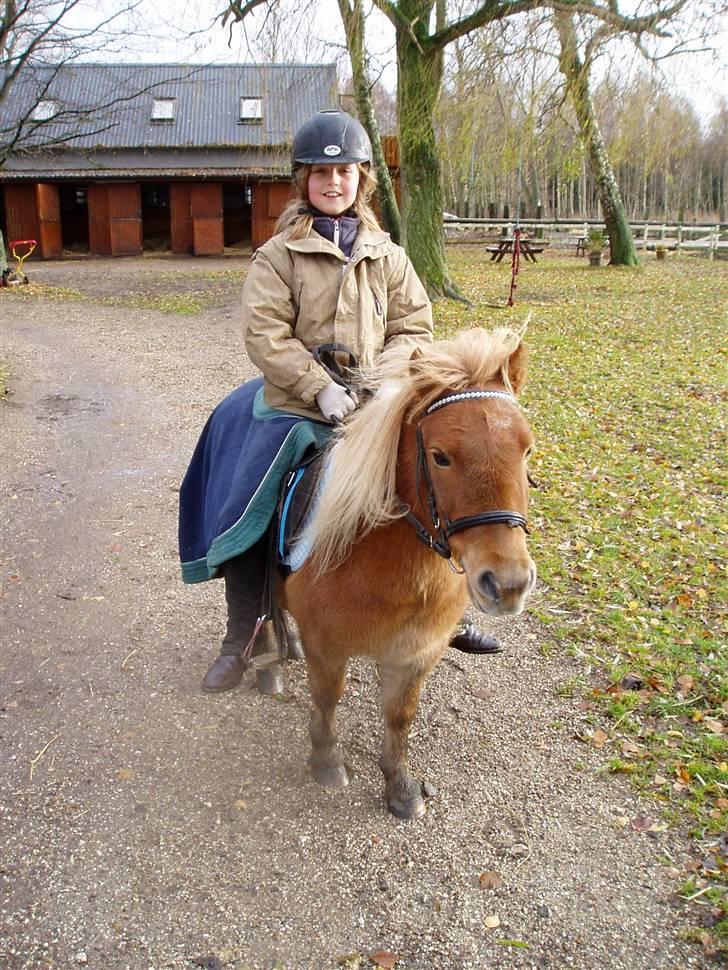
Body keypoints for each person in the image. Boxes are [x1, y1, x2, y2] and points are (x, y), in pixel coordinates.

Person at [180, 109, 500, 695]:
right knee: (256, 495)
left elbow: (414, 325)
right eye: (321, 172)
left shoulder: (389, 254)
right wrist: (319, 387)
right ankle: (244, 632)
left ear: (362, 179)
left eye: (345, 171)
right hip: (297, 402)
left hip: (376, 400)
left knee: (430, 480)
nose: (333, 182)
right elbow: (265, 334)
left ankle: (446, 611)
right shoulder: (277, 256)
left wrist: (384, 380)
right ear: (304, 180)